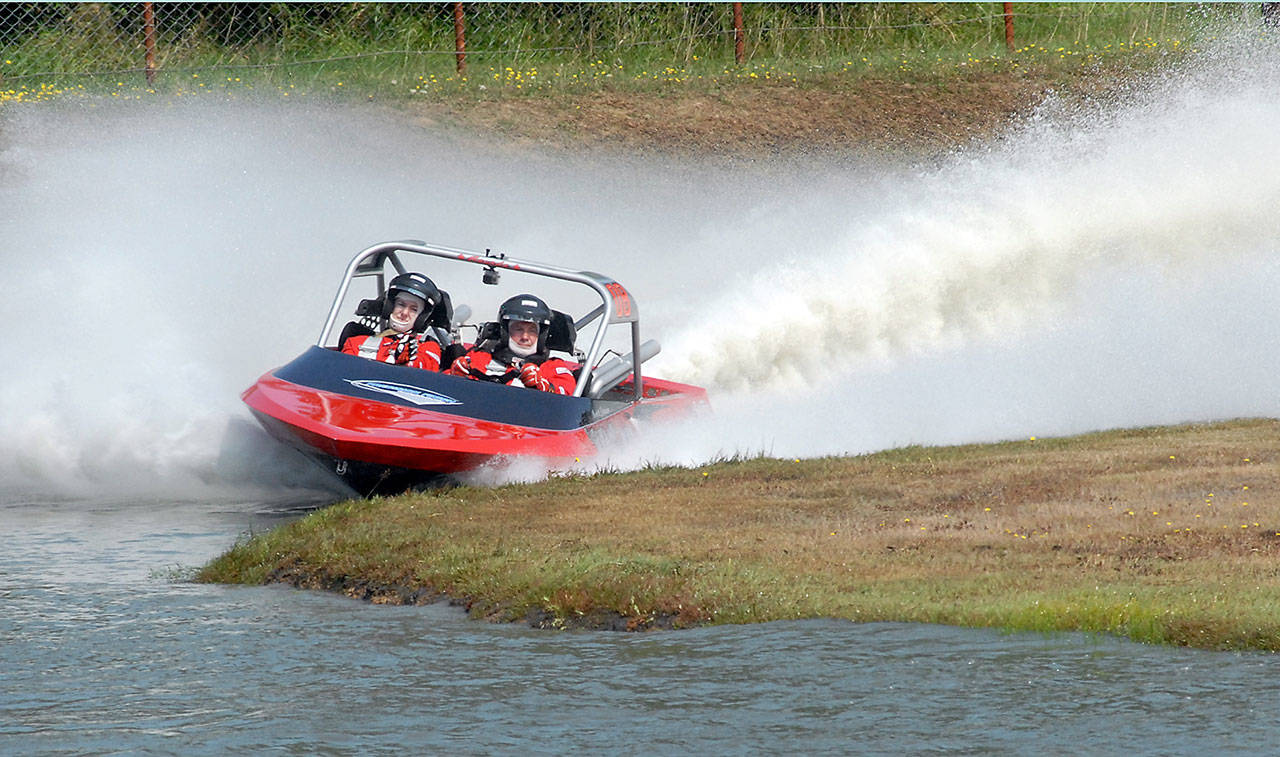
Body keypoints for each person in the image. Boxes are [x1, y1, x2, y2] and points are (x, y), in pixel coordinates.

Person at [447, 294, 575, 395]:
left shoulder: (553, 367)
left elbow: (568, 394)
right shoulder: (480, 357)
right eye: (518, 329)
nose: (525, 337)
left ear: (541, 335)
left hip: (528, 424)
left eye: (532, 331)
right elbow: (441, 388)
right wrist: (455, 376)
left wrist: (544, 386)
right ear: (505, 331)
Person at [341, 272, 443, 371]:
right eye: (401, 304)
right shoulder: (356, 343)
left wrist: (408, 362)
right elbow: (343, 372)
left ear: (422, 317)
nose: (404, 312)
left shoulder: (428, 348)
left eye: (414, 309)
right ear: (390, 307)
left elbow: (425, 369)